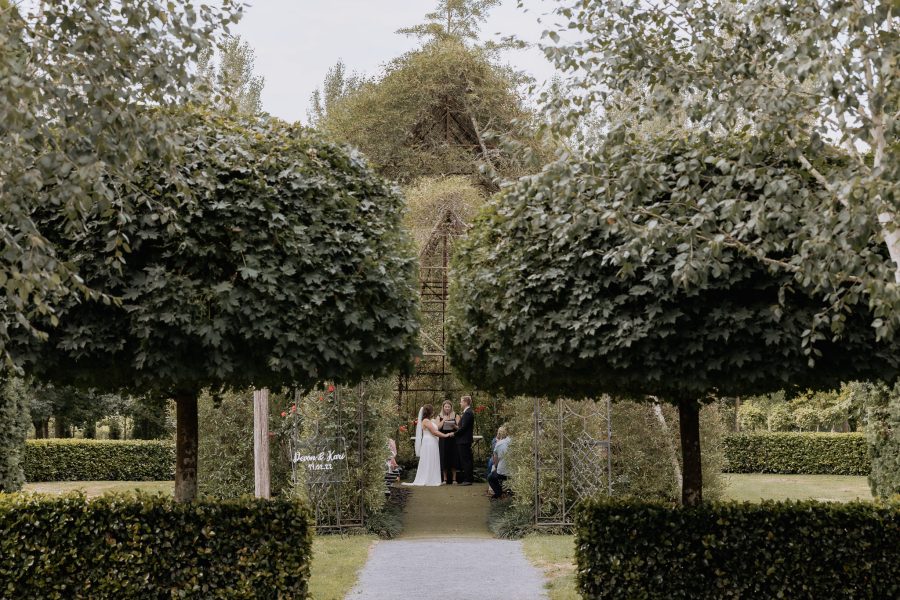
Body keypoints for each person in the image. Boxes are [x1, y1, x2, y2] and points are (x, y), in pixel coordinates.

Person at [404, 404, 454, 486]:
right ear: (430, 411)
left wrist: (443, 420)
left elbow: (437, 427)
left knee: (433, 459)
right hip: (429, 442)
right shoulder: (426, 421)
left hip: (432, 442)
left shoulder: (430, 421)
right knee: (429, 459)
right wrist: (446, 435)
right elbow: (434, 432)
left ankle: (433, 478)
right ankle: (428, 479)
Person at [437, 400, 459, 485]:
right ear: (443, 407)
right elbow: (437, 428)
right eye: (445, 407)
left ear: (451, 407)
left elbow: (459, 428)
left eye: (448, 407)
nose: (447, 408)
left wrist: (454, 426)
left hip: (453, 439)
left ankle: (454, 479)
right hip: (443, 439)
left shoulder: (456, 415)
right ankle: (445, 479)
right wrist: (443, 420)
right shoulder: (439, 416)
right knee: (444, 458)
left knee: (454, 458)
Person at [455, 395, 475, 486]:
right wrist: (455, 427)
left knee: (465, 460)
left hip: (464, 440)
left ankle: (467, 479)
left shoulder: (468, 413)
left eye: (461, 401)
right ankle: (468, 478)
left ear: (466, 402)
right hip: (464, 440)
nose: (460, 403)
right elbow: (463, 427)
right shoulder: (468, 412)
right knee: (467, 459)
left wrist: (454, 433)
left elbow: (463, 429)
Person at [488, 426, 511, 499]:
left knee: (491, 477)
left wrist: (495, 466)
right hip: (516, 471)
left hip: (503, 472)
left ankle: (500, 494)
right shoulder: (515, 442)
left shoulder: (499, 443)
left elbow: (495, 461)